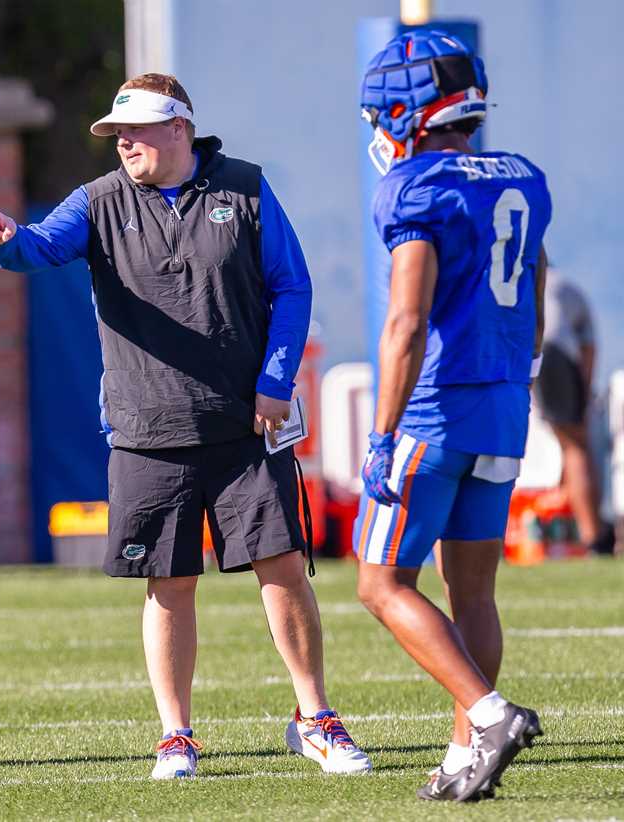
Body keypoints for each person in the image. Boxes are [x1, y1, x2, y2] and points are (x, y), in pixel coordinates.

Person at [0, 73, 370, 779]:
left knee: (282, 571)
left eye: (137, 130)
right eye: (115, 133)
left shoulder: (245, 189)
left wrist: (275, 383)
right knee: (168, 582)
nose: (123, 142)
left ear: (180, 129)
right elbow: (37, 248)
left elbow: (292, 285)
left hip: (245, 425)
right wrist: (6, 241)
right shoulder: (98, 201)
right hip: (145, 427)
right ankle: (176, 736)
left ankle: (315, 718)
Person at [354, 31, 550, 802]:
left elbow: (406, 320)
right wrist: (519, 374)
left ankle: (491, 716)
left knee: (380, 583)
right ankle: (468, 755)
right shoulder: (524, 177)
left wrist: (380, 431)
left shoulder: (416, 186)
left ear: (409, 109)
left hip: (435, 409)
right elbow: (535, 285)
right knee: (473, 592)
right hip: (505, 403)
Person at [534, 269, 614, 555]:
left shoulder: (524, 271)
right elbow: (588, 348)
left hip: (533, 349)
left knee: (568, 445)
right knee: (575, 446)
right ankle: (594, 536)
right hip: (555, 352)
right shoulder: (567, 285)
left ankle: (585, 533)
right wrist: (585, 398)